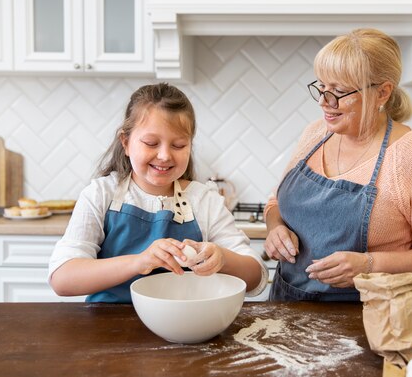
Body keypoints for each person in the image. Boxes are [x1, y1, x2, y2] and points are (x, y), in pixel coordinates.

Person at [263, 28, 412, 302]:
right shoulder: (315, 134)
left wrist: (370, 265)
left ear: (382, 92)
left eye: (339, 91)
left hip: (372, 320)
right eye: (321, 86)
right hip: (286, 309)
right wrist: (275, 227)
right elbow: (275, 203)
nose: (324, 101)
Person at [49, 83, 268, 303]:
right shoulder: (101, 194)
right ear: (125, 143)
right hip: (108, 328)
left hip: (184, 326)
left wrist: (223, 259)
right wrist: (139, 262)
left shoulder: (204, 200)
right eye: (151, 143)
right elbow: (62, 278)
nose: (164, 155)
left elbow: (257, 276)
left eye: (179, 145)